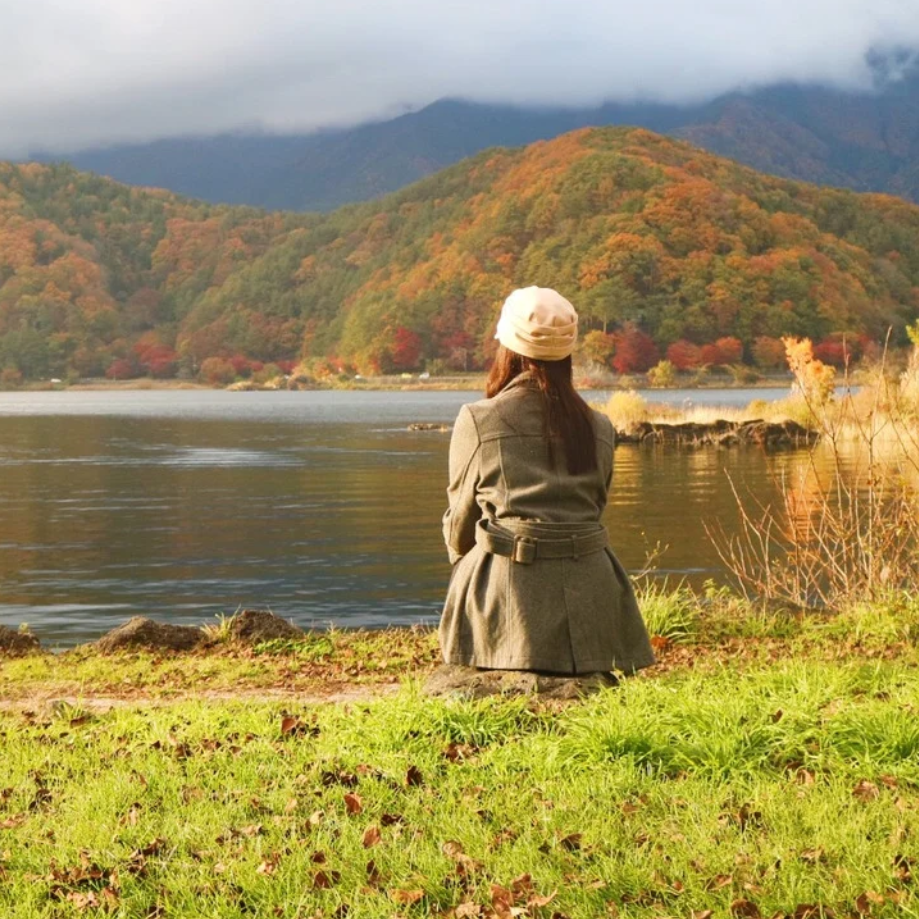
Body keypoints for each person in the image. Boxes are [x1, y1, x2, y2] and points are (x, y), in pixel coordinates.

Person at [439, 286, 655, 675]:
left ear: (507, 349)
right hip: (595, 602)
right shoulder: (600, 426)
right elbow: (593, 508)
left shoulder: (478, 419)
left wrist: (468, 571)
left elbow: (460, 529)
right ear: (567, 353)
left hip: (507, 607)